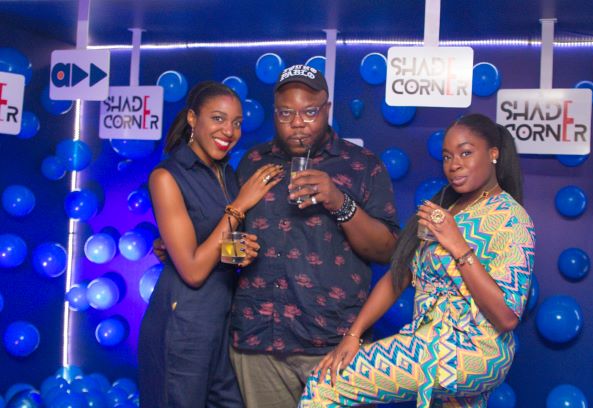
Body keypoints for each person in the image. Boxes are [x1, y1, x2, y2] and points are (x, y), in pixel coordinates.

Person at [299, 113, 536, 408]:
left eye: (466, 153)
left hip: (473, 349)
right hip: (431, 340)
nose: (454, 164)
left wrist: (457, 244)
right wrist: (354, 335)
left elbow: (507, 317)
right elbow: (398, 276)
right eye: (447, 157)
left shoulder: (511, 218)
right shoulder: (443, 207)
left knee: (325, 383)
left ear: (493, 154)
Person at [228, 65, 400, 408]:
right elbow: (231, 238)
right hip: (258, 340)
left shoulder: (362, 165)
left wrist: (339, 201)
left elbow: (387, 250)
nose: (297, 123)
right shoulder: (253, 161)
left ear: (327, 109)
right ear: (275, 113)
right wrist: (232, 252)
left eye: (309, 112)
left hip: (333, 344)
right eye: (286, 113)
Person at [138, 81, 283, 408]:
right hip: (183, 323)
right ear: (193, 118)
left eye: (237, 122)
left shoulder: (226, 173)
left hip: (222, 323)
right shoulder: (166, 176)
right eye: (218, 118)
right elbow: (192, 271)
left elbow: (213, 245)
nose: (229, 131)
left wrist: (239, 251)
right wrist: (240, 206)